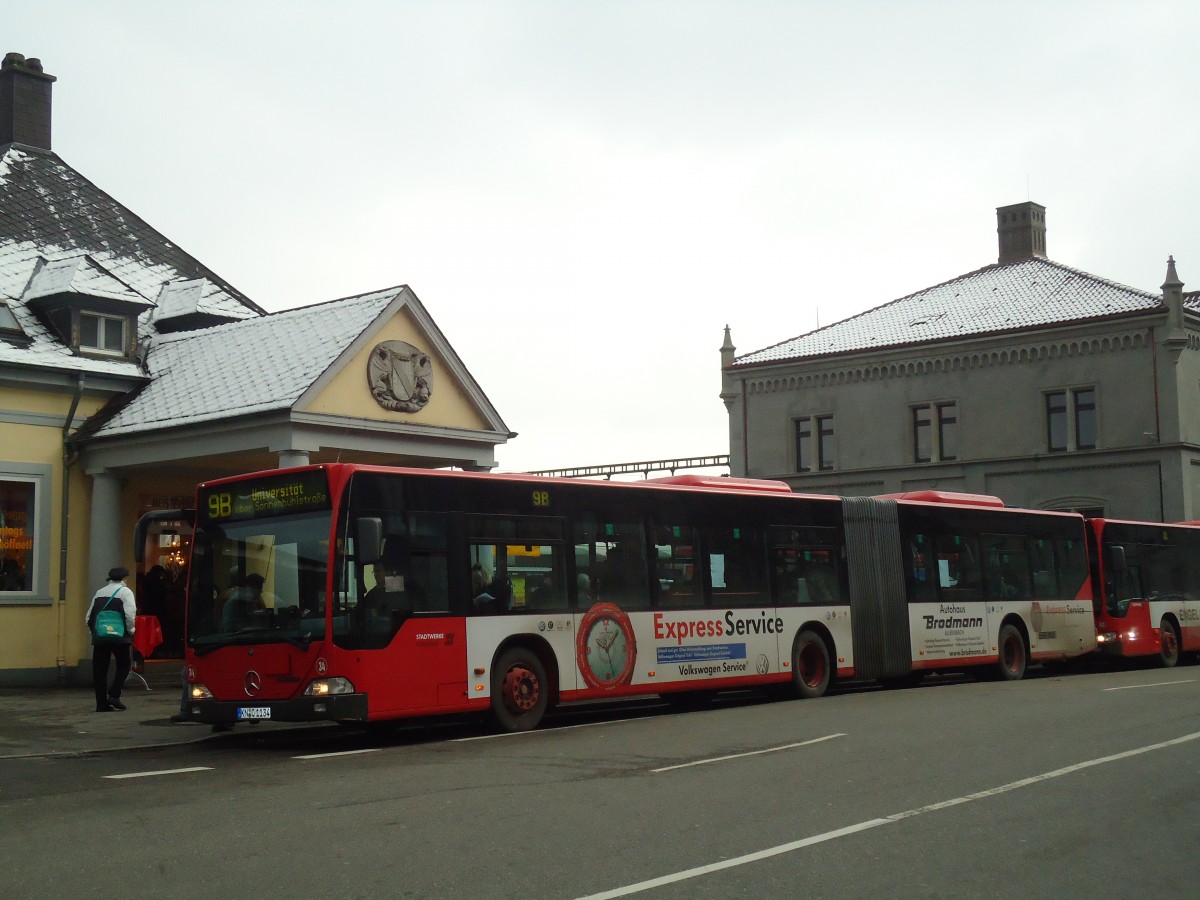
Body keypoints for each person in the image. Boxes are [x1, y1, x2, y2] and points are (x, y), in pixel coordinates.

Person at [85, 566, 137, 713]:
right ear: (124, 578)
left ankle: (101, 704)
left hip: (100, 636)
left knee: (100, 670)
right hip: (119, 636)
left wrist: (94, 632)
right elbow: (130, 615)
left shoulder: (99, 592)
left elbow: (89, 616)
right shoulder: (126, 592)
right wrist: (130, 631)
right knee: (124, 665)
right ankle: (114, 694)